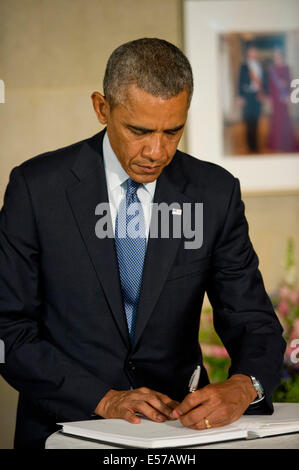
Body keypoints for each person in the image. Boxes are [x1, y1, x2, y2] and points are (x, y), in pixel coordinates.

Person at [0, 38, 285, 449]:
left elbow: (253, 320)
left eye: (173, 131)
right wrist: (104, 398)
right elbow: (8, 328)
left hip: (179, 436)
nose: (157, 151)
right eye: (139, 131)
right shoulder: (36, 188)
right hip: (61, 429)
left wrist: (245, 384)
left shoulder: (214, 193)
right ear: (102, 108)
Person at [267, 48, 297, 152]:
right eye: (275, 56)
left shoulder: (287, 68)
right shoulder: (272, 69)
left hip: (284, 98)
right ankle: (276, 143)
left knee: (285, 119)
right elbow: (270, 85)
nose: (277, 58)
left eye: (278, 56)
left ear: (282, 56)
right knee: (276, 119)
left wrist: (289, 97)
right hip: (275, 98)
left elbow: (290, 83)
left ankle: (287, 142)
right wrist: (270, 97)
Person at [238, 45, 266, 153]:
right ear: (248, 53)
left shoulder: (259, 65)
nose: (254, 54)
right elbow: (240, 81)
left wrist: (263, 92)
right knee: (248, 120)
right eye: (252, 52)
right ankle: (250, 145)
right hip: (247, 95)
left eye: (255, 52)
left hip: (257, 95)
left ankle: (256, 145)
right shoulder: (244, 66)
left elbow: (264, 81)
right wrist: (240, 96)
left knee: (256, 120)